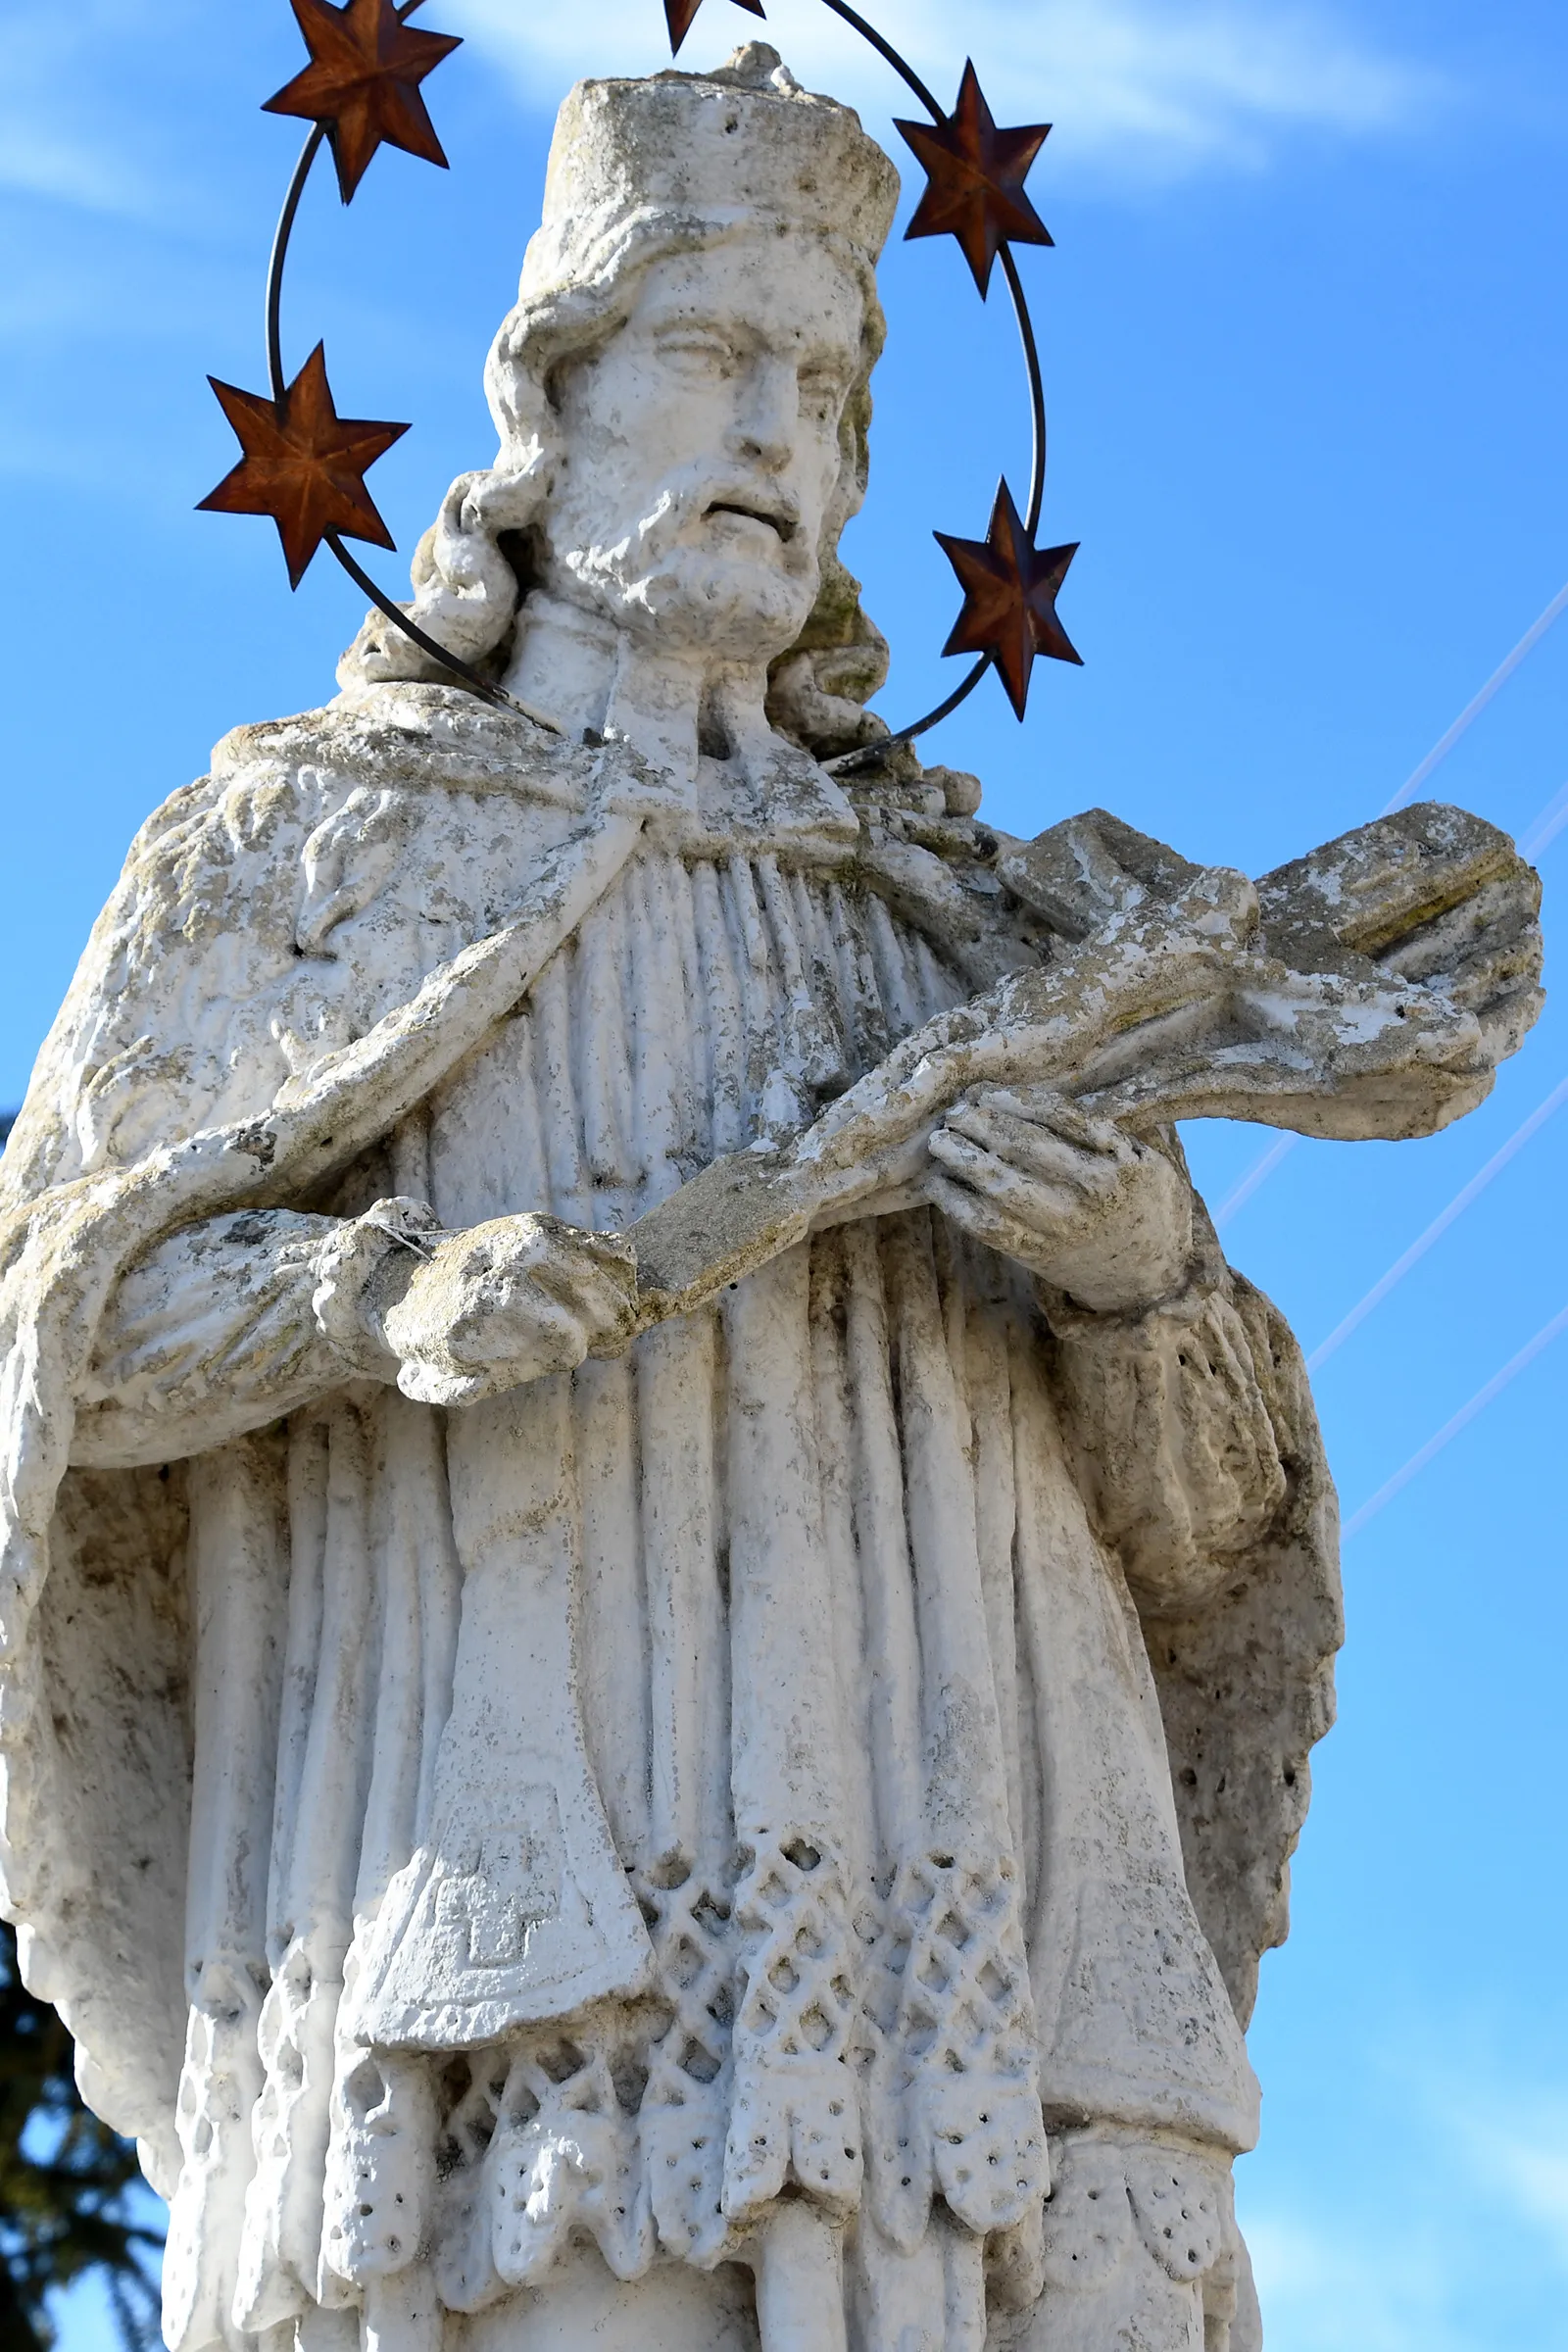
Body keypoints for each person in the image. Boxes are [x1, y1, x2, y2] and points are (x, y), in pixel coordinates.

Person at [0, 45, 1489, 2352]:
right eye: (710, 356)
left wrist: (1130, 1282)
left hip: (962, 2003)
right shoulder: (302, 860)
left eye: (824, 384)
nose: (777, 433)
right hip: (511, 1990)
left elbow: (1207, 1544)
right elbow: (67, 1332)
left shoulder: (966, 924)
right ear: (550, 413)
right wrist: (370, 1300)